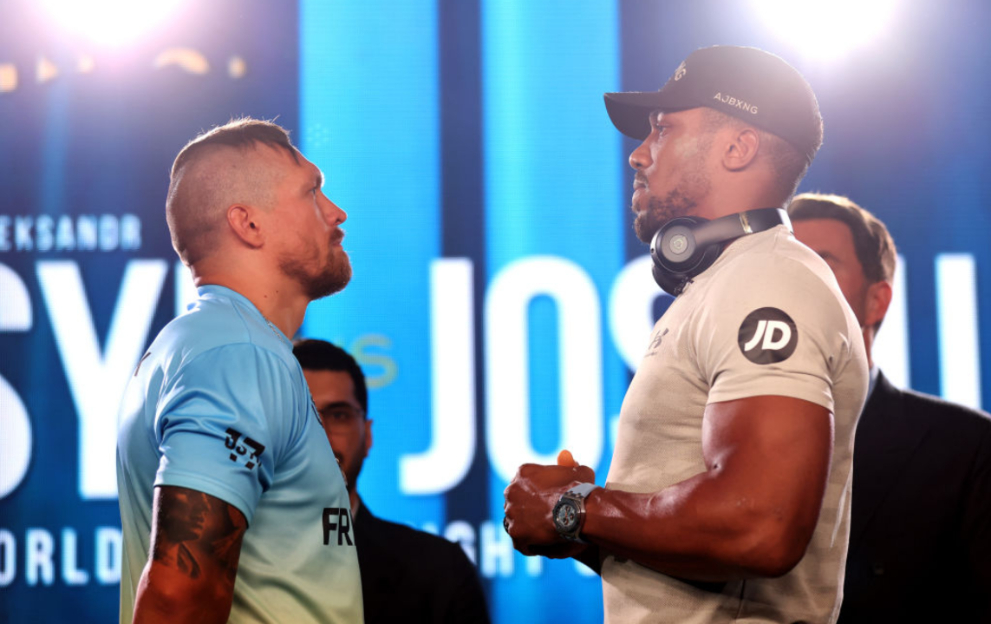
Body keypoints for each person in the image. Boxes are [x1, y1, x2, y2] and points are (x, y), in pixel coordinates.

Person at [503, 45, 869, 623]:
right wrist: (574, 526)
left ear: (737, 148)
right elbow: (699, 564)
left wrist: (574, 508)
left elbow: (759, 527)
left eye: (663, 129)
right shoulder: (729, 280)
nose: (638, 154)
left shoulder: (768, 280)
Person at [116, 118, 363, 623]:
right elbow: (177, 598)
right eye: (312, 192)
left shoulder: (204, 343)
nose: (336, 212)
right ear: (248, 224)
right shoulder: (239, 354)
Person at [788, 192, 991, 623]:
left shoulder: (969, 448)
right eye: (782, 264)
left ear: (876, 301)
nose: (792, 282)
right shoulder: (700, 438)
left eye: (821, 263)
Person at [292, 338, 491, 624]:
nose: (319, 434)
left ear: (367, 435)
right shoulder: (229, 559)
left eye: (338, 415)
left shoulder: (441, 572)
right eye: (298, 414)